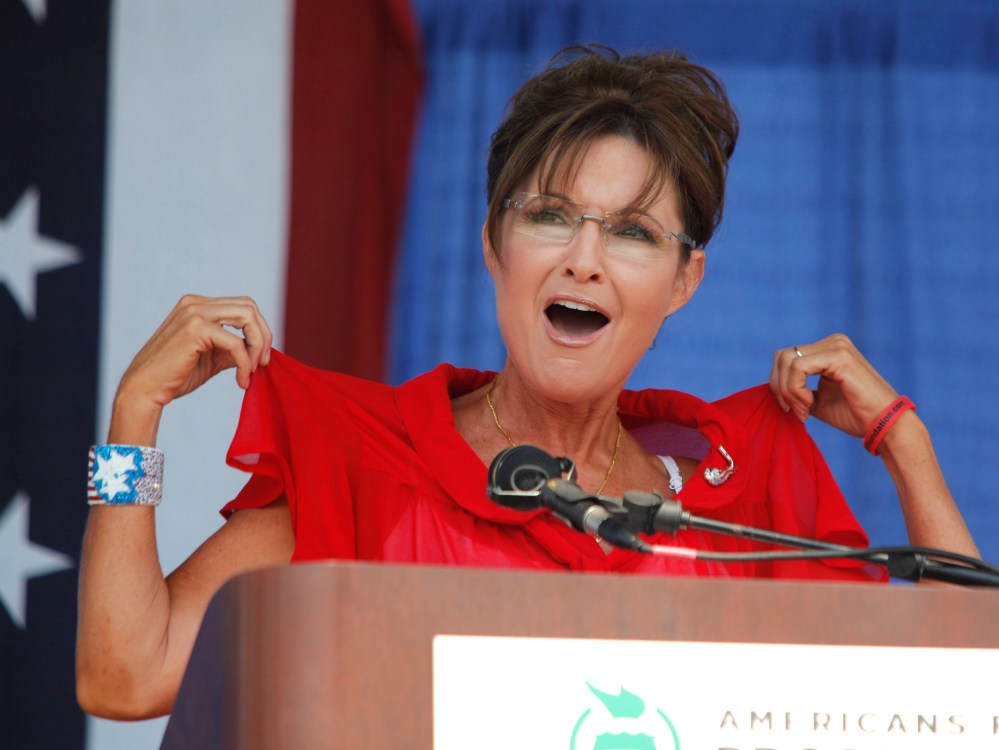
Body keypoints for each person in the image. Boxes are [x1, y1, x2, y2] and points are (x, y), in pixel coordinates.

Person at [76, 45, 978, 719]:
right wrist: (132, 421)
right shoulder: (368, 464)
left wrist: (905, 445)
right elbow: (125, 676)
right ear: (492, 246)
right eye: (549, 216)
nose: (584, 261)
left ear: (681, 284)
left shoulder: (734, 503)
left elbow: (957, 695)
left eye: (630, 233)